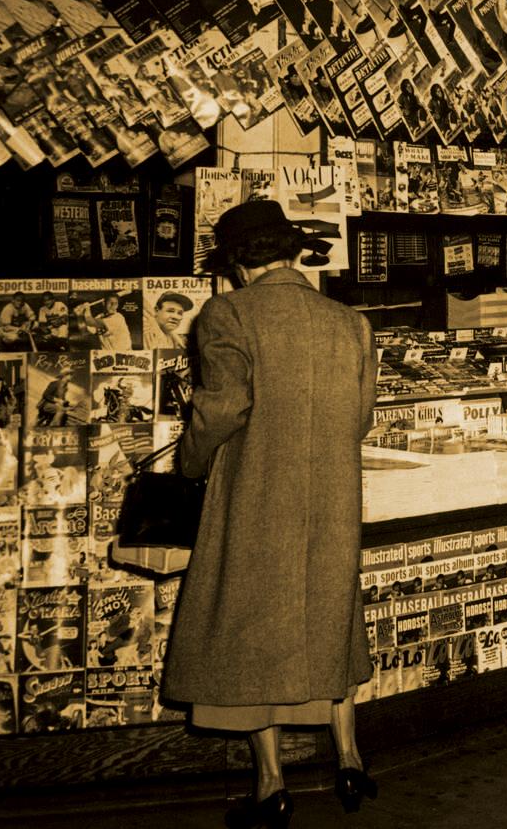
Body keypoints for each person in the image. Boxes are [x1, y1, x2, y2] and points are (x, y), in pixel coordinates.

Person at [162, 200, 380, 829]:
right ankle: (349, 759)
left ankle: (271, 785)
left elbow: (221, 410)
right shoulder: (350, 321)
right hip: (332, 495)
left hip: (256, 491)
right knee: (331, 615)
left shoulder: (228, 313)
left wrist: (189, 465)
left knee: (249, 626)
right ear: (292, 252)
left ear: (236, 264)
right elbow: (361, 418)